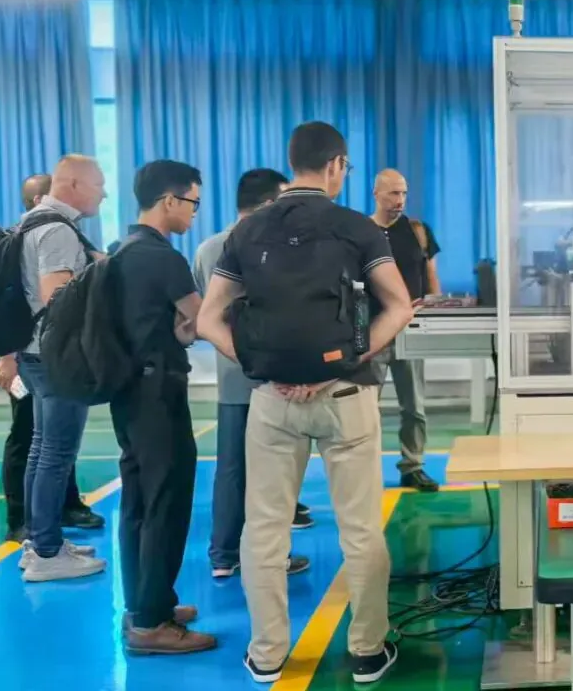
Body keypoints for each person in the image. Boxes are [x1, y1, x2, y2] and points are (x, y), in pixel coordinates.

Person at [198, 121, 414, 685]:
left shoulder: (244, 233)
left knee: (264, 529)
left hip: (271, 399)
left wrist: (258, 367)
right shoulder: (356, 229)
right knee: (360, 528)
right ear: (337, 165)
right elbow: (399, 306)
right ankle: (368, 649)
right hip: (347, 396)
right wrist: (349, 357)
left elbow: (208, 319)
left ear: (291, 163)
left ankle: (268, 652)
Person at [110, 160, 215, 655]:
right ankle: (152, 625)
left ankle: (145, 603)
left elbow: (164, 327)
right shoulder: (163, 257)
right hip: (160, 395)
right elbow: (204, 319)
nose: (195, 211)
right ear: (170, 201)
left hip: (129, 393)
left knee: (137, 503)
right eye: (192, 201)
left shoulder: (120, 251)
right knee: (166, 503)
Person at [193, 168, 312, 580]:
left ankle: (223, 555)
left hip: (231, 377)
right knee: (272, 473)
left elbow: (200, 315)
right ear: (266, 204)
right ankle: (270, 558)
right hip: (272, 376)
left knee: (230, 469)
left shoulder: (207, 248)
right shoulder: (269, 247)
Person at [0, 173, 104, 544]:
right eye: (97, 183)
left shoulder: (32, 230)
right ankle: (37, 536)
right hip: (44, 354)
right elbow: (51, 297)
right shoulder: (51, 231)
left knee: (46, 446)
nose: (103, 192)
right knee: (40, 444)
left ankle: (47, 526)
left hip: (33, 353)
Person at [371, 169, 441, 492]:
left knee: (414, 405)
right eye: (393, 194)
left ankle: (412, 465)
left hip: (411, 331)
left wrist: (434, 309)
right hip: (373, 331)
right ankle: (365, 468)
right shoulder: (361, 233)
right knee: (366, 406)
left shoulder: (418, 232)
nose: (399, 200)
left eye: (403, 193)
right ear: (377, 194)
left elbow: (431, 276)